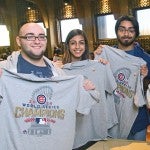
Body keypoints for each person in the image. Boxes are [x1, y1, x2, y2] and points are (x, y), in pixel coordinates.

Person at [0, 23, 99, 150]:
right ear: (19, 41)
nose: (37, 41)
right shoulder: (5, 71)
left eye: (41, 37)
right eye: (30, 36)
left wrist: (86, 90)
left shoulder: (59, 74)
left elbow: (67, 113)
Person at [94, 15, 150, 141]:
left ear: (136, 33)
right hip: (112, 120)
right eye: (122, 29)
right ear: (116, 32)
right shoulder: (105, 55)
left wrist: (145, 79)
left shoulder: (145, 59)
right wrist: (96, 58)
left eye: (131, 30)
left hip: (137, 122)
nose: (126, 34)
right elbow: (96, 82)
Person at [61, 29, 117, 149]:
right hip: (73, 133)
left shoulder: (99, 66)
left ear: (86, 45)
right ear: (68, 46)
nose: (77, 46)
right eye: (73, 43)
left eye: (81, 42)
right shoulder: (61, 72)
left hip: (96, 131)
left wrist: (105, 67)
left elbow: (112, 89)